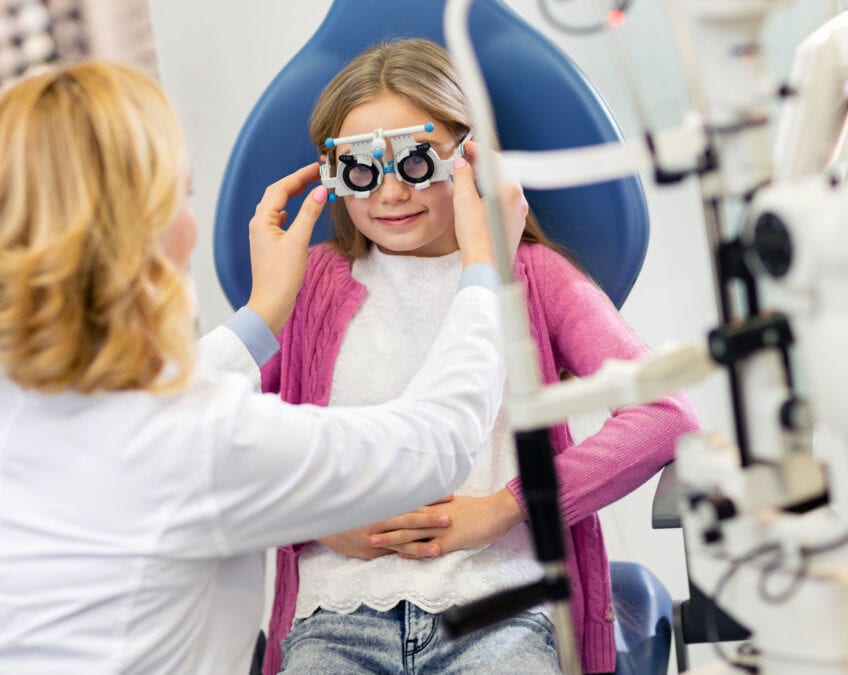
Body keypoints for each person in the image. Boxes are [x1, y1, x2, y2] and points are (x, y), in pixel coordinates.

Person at [0, 60, 524, 673]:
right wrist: (487, 272)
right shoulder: (205, 441)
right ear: (148, 231)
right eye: (181, 199)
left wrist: (261, 316)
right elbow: (436, 444)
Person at [263, 38, 700, 675]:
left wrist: (505, 509)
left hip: (500, 608)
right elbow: (226, 439)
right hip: (336, 617)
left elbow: (666, 412)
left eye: (414, 162)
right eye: (361, 168)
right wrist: (320, 518)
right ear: (333, 175)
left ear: (467, 160)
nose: (388, 193)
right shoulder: (309, 285)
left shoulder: (533, 277)